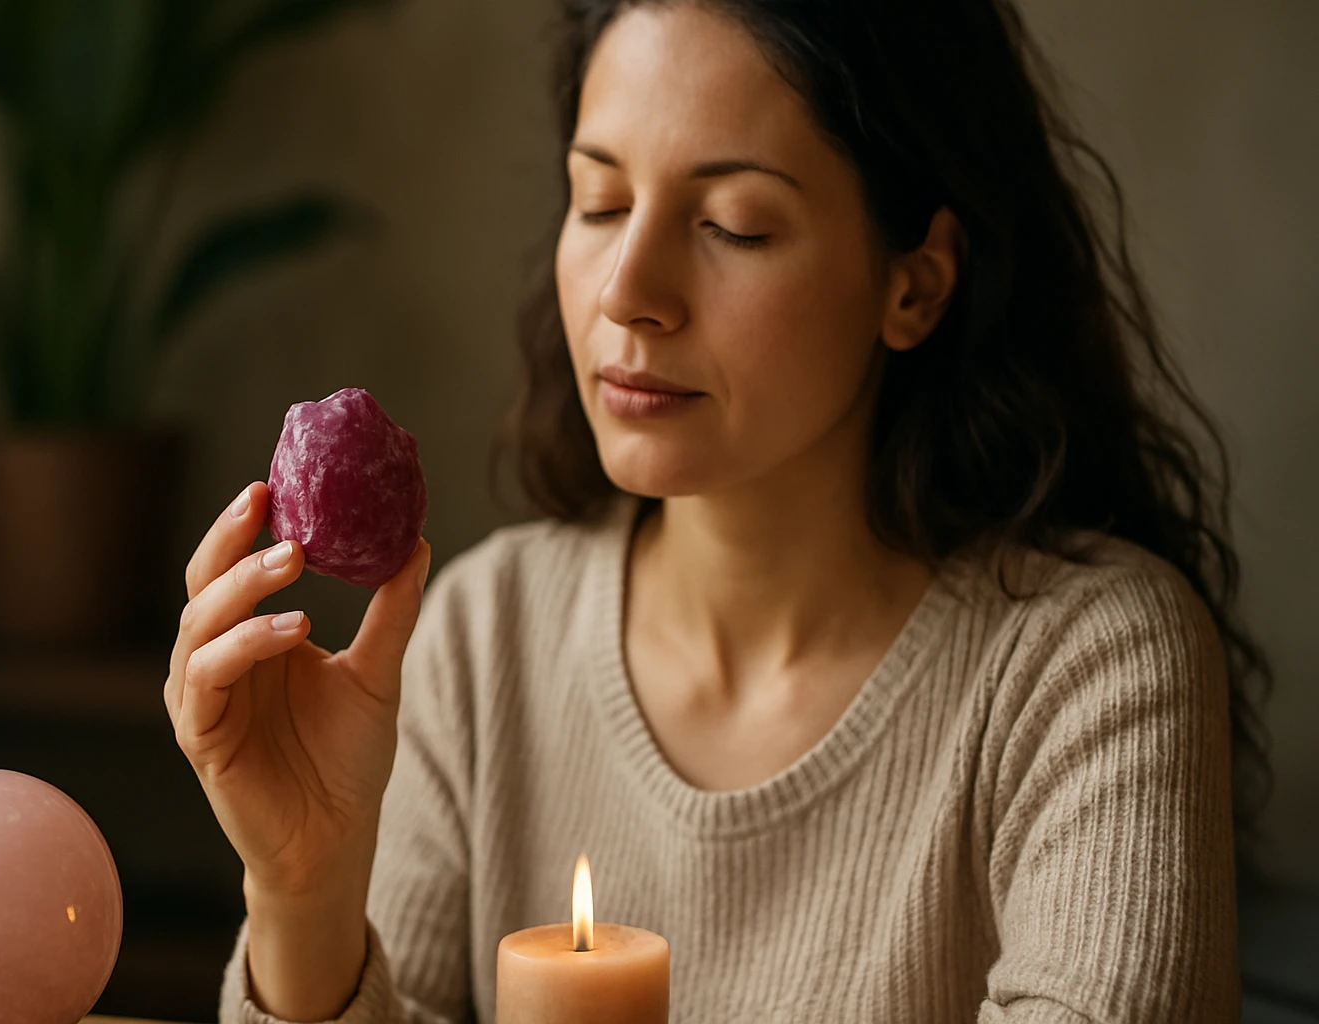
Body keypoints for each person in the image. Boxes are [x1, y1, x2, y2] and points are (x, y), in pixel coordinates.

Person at [162, 1, 1271, 1020]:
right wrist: (304, 887)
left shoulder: (1089, 666)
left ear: (916, 284)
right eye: (598, 201)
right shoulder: (480, 635)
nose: (625, 291)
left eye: (734, 224)